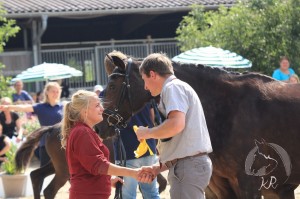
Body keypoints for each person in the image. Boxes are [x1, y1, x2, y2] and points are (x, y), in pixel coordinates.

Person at [136, 53, 213, 199]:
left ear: (152, 74)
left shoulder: (172, 88)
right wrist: (157, 168)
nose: (145, 87)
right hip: (188, 167)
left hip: (188, 168)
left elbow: (176, 124)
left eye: (144, 80)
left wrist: (147, 133)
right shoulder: (176, 87)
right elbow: (181, 145)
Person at [60, 90, 152, 199]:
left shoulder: (84, 131)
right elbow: (98, 164)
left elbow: (90, 166)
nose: (102, 109)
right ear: (85, 111)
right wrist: (133, 173)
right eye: (97, 105)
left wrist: (107, 179)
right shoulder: (82, 132)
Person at [104, 51, 160, 199]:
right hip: (148, 146)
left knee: (127, 195)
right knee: (151, 193)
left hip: (126, 148)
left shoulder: (108, 93)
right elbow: (152, 116)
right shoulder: (145, 88)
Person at [0, 82, 63, 167]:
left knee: (66, 171)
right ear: (47, 92)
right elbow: (24, 108)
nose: (55, 93)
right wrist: (8, 107)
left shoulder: (63, 106)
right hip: (46, 144)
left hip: (61, 143)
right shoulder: (40, 107)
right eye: (53, 91)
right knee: (43, 172)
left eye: (57, 91)